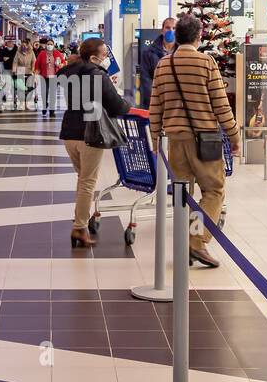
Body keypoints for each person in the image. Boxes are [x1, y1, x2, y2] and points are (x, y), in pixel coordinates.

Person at [148, 14, 239, 269]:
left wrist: (156, 138)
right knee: (213, 191)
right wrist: (234, 135)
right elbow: (221, 105)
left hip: (175, 140)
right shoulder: (206, 62)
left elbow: (156, 105)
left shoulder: (164, 65)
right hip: (204, 139)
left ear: (176, 36)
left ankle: (186, 241)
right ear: (199, 36)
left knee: (181, 193)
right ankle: (197, 242)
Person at [59, 37, 131, 248]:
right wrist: (129, 105)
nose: (107, 58)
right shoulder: (97, 75)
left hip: (69, 133)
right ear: (93, 57)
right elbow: (117, 106)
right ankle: (80, 227)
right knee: (87, 182)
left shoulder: (69, 73)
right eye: (104, 55)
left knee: (83, 179)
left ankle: (80, 221)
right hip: (89, 133)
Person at [139, 18, 177, 108]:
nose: (171, 31)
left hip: (177, 103)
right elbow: (145, 79)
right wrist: (155, 100)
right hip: (157, 101)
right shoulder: (149, 53)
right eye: (168, 28)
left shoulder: (182, 52)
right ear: (162, 31)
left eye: (174, 28)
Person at [34, 38, 66, 118]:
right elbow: (37, 65)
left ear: (53, 45)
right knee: (44, 93)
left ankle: (52, 111)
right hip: (44, 76)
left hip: (54, 76)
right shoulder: (42, 54)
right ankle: (45, 106)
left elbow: (63, 62)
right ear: (46, 45)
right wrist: (35, 76)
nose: (49, 46)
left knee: (52, 94)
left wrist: (61, 65)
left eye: (51, 44)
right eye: (48, 44)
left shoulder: (57, 53)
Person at [13, 38, 37, 111]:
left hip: (29, 71)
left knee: (29, 88)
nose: (23, 47)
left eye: (25, 45)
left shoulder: (31, 52)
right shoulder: (18, 52)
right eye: (22, 45)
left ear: (27, 45)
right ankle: (22, 103)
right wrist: (14, 70)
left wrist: (33, 69)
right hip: (20, 71)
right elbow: (15, 62)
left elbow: (34, 62)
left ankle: (27, 103)